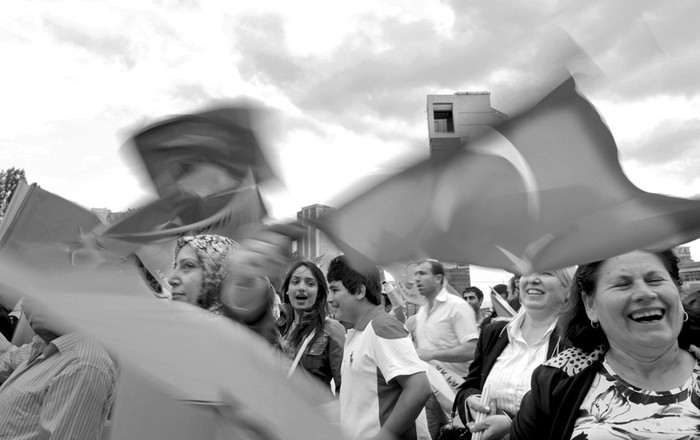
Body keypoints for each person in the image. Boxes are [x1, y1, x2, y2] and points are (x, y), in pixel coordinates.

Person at [511, 249, 700, 440]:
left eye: (655, 280)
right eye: (622, 284)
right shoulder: (556, 381)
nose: (645, 293)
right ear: (591, 306)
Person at [455, 266, 575, 440]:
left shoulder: (575, 342)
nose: (533, 279)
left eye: (545, 273)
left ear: (568, 290)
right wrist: (471, 400)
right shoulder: (493, 333)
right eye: (527, 273)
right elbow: (470, 385)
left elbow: (572, 410)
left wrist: (512, 425)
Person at [327, 255, 432, 440]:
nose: (329, 299)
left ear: (359, 291)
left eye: (335, 290)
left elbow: (419, 388)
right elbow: (356, 403)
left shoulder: (382, 326)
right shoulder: (356, 334)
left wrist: (384, 435)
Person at [0, 298, 117, 439]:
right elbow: (8, 359)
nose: (29, 307)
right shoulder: (44, 346)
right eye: (27, 296)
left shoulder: (83, 366)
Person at [168, 233, 280, 345]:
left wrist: (245, 281)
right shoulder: (167, 332)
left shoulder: (240, 344)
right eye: (175, 266)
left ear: (219, 273)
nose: (171, 279)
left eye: (188, 266)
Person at [407, 260, 479, 392]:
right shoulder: (422, 312)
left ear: (438, 278)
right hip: (430, 386)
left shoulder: (457, 306)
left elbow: (472, 349)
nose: (417, 279)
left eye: (422, 273)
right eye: (416, 274)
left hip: (458, 387)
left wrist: (432, 354)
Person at [277, 261, 345, 394]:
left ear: (319, 292)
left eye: (310, 283)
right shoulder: (277, 328)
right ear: (286, 291)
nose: (301, 288)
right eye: (295, 282)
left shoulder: (332, 330)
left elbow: (344, 388)